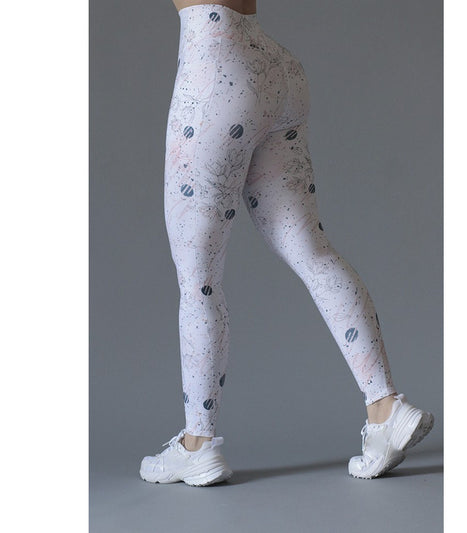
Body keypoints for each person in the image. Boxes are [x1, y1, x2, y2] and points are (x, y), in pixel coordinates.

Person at [139, 0, 434, 486]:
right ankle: (386, 407)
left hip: (215, 71)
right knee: (312, 250)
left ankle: (197, 445)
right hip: (275, 70)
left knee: (198, 282)